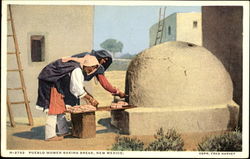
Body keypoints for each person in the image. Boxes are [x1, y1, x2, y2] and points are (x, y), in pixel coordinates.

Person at [36, 54, 100, 141]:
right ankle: (50, 135)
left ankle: (64, 131)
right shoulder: (77, 69)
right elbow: (76, 88)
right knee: (53, 110)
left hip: (55, 83)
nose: (92, 71)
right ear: (88, 66)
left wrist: (88, 97)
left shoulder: (76, 67)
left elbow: (78, 87)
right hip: (50, 82)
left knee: (60, 108)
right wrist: (90, 99)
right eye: (93, 68)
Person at [61, 50, 126, 98]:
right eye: (104, 59)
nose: (104, 62)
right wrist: (117, 92)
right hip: (64, 79)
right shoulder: (87, 60)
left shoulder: (88, 57)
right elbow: (105, 84)